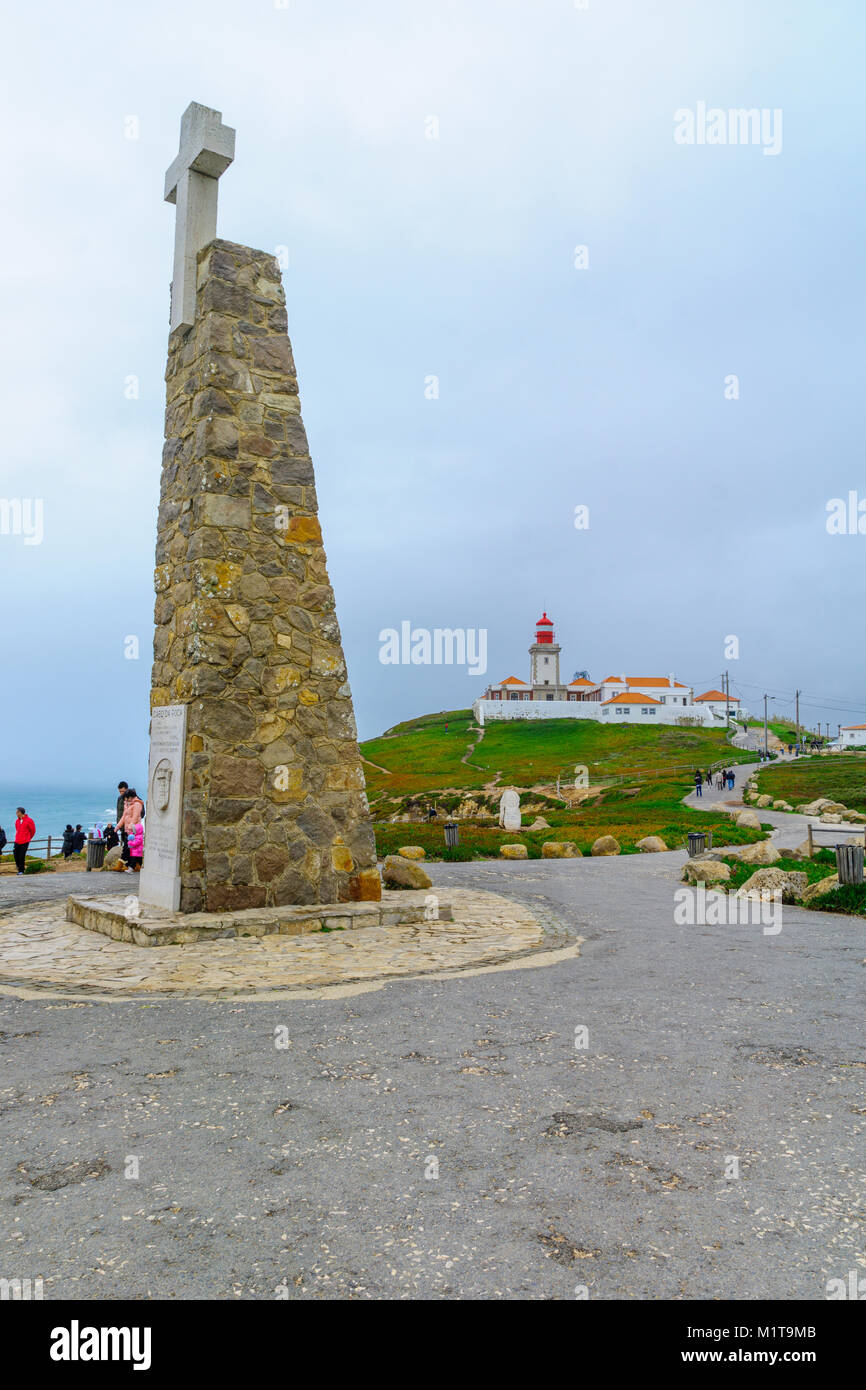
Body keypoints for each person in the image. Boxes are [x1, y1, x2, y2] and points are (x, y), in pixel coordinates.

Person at [13, 807, 35, 875]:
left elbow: (33, 831)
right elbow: (17, 830)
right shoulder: (17, 821)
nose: (16, 813)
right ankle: (19, 867)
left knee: (21, 856)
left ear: (20, 812)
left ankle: (21, 870)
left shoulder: (29, 820)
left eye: (17, 812)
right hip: (17, 840)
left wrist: (28, 838)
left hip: (25, 841)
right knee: (15, 854)